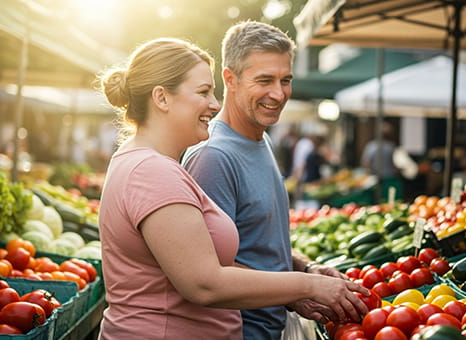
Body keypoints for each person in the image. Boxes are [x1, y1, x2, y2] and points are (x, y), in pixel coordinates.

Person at [97, 37, 369, 340]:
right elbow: (204, 284)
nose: (214, 104)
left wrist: (302, 273)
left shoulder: (147, 163)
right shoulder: (152, 171)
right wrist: (308, 286)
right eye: (203, 92)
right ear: (161, 98)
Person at [182, 21, 356, 339]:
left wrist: (306, 268)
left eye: (285, 80)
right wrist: (295, 290)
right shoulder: (213, 157)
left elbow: (259, 245)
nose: (278, 94)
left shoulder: (262, 140)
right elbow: (208, 274)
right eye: (265, 80)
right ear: (230, 79)